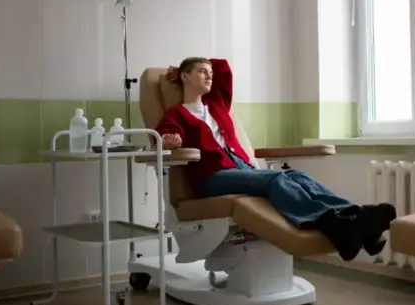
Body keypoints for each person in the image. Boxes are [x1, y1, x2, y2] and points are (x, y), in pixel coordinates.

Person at [154, 56, 395, 261]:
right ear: (184, 77)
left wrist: (196, 65)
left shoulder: (217, 104)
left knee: (295, 174)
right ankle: (333, 222)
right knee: (275, 180)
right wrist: (168, 140)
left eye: (209, 72)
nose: (209, 76)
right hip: (211, 177)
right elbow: (161, 136)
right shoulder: (177, 113)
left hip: (240, 167)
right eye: (201, 72)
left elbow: (224, 68)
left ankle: (353, 218)